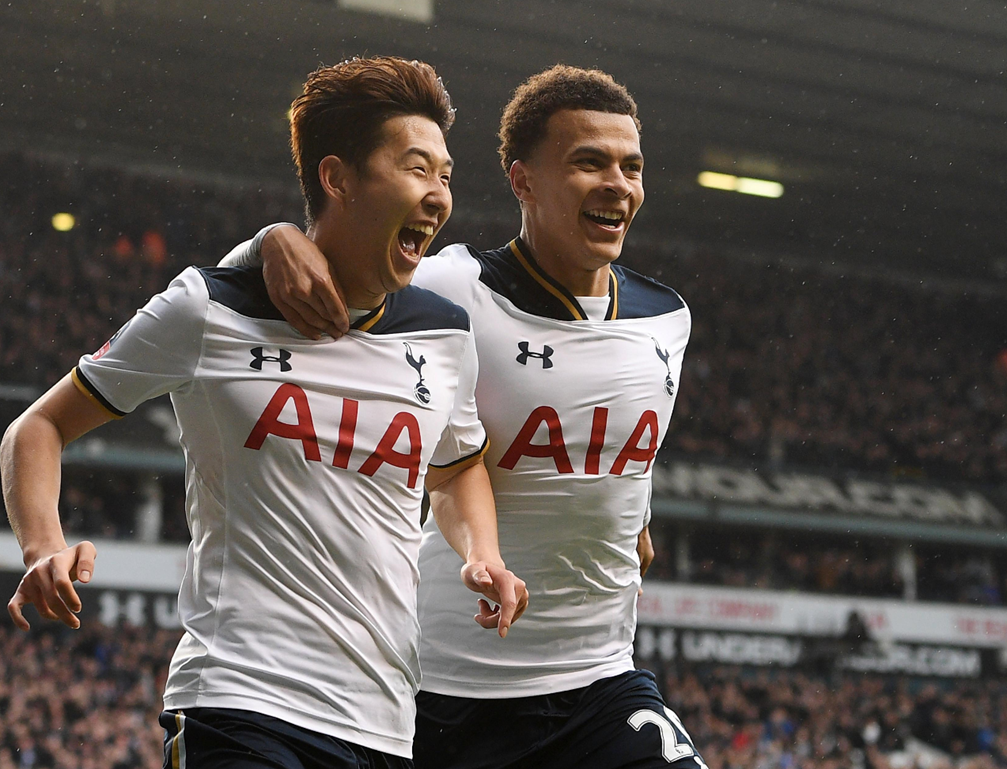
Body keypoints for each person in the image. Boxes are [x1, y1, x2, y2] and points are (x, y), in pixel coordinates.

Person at [0, 56, 527, 769]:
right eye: (415, 169)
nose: (438, 195)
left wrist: (482, 555)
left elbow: (458, 466)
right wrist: (42, 546)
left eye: (445, 175)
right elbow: (38, 426)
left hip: (383, 722)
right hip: (239, 700)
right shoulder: (210, 307)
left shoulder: (445, 332)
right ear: (338, 178)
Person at [223, 65, 704, 768]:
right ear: (523, 180)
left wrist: (625, 516)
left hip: (598, 681)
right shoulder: (456, 290)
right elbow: (316, 271)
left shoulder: (669, 318)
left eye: (630, 166)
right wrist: (270, 240)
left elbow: (613, 456)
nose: (617, 184)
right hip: (440, 693)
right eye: (588, 162)